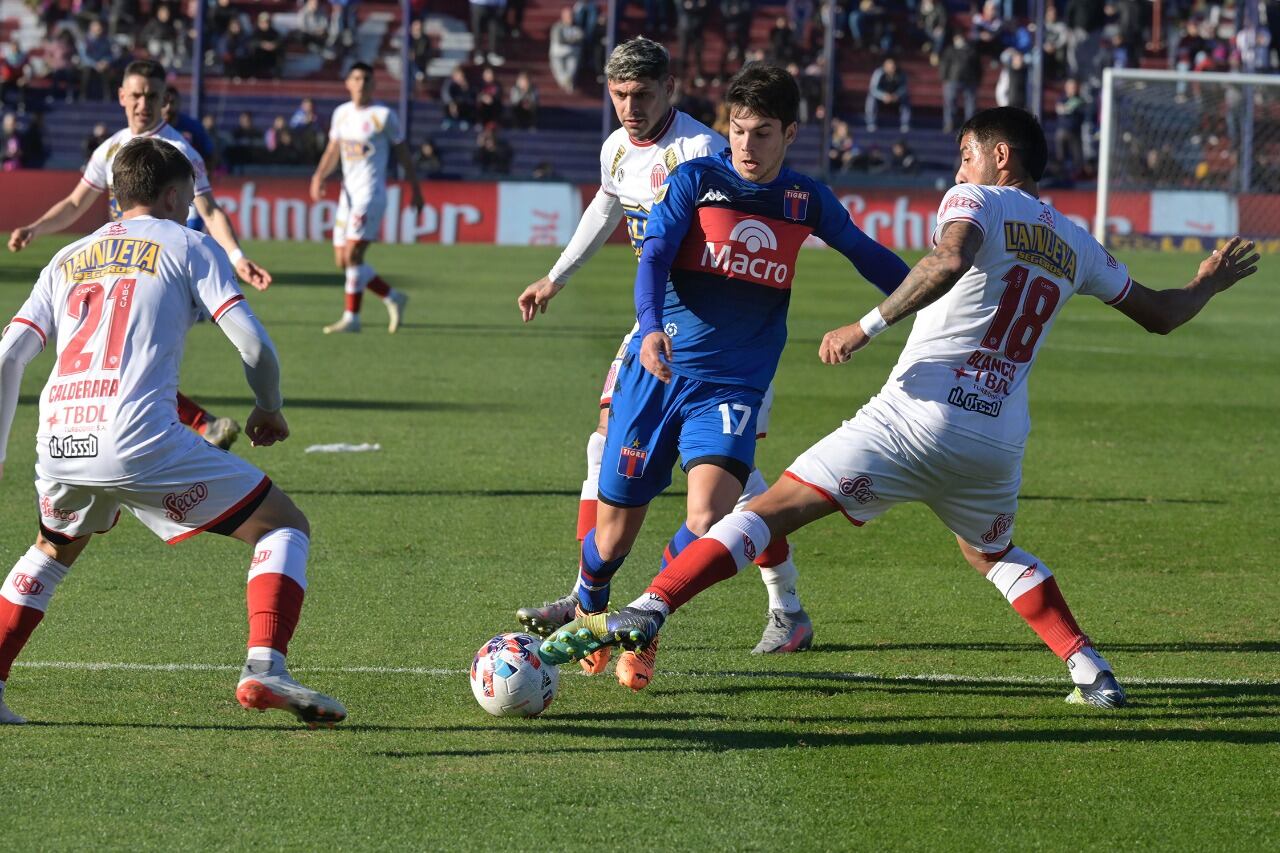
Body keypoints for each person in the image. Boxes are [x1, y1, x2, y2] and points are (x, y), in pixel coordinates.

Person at [539, 106, 1261, 708]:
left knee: (767, 510)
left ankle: (650, 607)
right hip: (997, 437)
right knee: (993, 552)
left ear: (998, 156)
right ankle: (1090, 670)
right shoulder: (1075, 241)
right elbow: (1162, 314)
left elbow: (949, 258)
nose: (956, 170)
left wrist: (867, 325)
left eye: (965, 156)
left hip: (915, 416)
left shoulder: (978, 199)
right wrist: (1206, 284)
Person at [519, 58, 908, 689]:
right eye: (739, 130)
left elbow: (873, 259)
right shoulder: (696, 179)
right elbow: (652, 260)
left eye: (762, 133)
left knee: (707, 518)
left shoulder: (806, 200)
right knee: (611, 537)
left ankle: (642, 621)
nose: (747, 146)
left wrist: (939, 292)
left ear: (790, 133)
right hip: (660, 373)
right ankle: (592, 608)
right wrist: (648, 331)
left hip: (730, 388)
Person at [0, 137, 350, 727]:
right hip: (139, 438)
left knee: (53, 550)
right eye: (188, 196)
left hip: (59, 439)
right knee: (283, 525)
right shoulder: (188, 243)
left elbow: (9, 356)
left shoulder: (66, 258)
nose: (191, 206)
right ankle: (265, 664)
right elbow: (253, 343)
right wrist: (268, 408)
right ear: (170, 194)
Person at [7, 59, 271, 450]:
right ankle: (195, 428)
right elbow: (76, 202)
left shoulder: (179, 151)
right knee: (123, 360)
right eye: (135, 95)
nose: (143, 104)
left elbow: (209, 210)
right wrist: (36, 227)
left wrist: (235, 256)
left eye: (152, 96)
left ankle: (177, 435)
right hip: (117, 264)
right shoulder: (110, 149)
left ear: (165, 99)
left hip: (164, 269)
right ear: (121, 97)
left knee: (127, 359)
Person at [310, 63, 423, 335]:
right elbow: (332, 150)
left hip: (370, 195)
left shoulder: (383, 116)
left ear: (373, 85)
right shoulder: (341, 114)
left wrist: (416, 189)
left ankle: (352, 318)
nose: (361, 83)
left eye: (366, 79)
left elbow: (403, 154)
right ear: (348, 83)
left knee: (353, 255)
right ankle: (393, 297)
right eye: (356, 78)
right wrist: (319, 176)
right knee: (343, 260)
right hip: (346, 197)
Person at [865, 57, 910, 133]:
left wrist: (896, 95)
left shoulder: (901, 74)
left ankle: (905, 123)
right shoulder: (878, 73)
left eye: (893, 66)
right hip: (881, 97)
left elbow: (904, 88)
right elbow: (873, 89)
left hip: (895, 97)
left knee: (906, 99)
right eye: (889, 66)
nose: (892, 68)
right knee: (871, 99)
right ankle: (871, 122)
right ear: (884, 66)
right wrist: (883, 96)